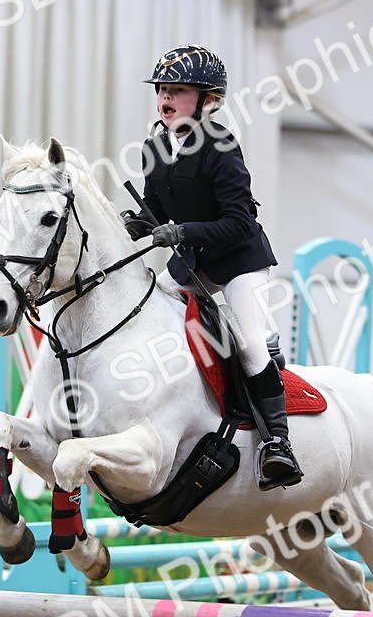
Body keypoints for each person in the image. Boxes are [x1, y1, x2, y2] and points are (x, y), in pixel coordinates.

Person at [122, 44, 302, 491]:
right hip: (194, 261)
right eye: (162, 89)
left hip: (238, 259)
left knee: (249, 343)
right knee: (147, 310)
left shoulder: (221, 147)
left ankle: (277, 444)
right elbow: (155, 207)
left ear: (209, 100)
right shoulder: (154, 146)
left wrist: (181, 231)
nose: (165, 97)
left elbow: (240, 221)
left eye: (178, 91)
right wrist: (136, 223)